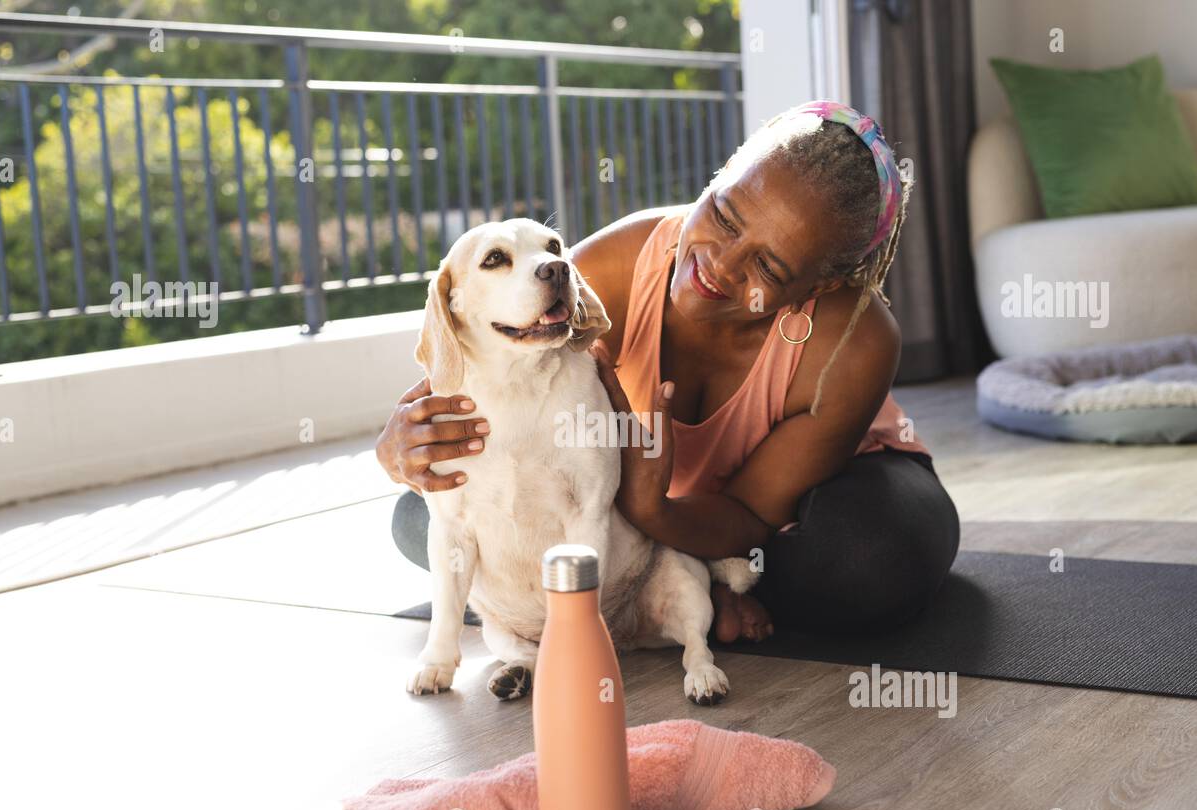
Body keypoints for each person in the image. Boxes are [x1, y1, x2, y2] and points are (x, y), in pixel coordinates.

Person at [378, 99, 960, 643]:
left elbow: (753, 513)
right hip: (631, 499)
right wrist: (401, 448)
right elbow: (478, 358)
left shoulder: (857, 341)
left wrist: (653, 508)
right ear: (718, 177)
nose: (718, 265)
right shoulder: (620, 261)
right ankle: (697, 592)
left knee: (873, 558)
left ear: (824, 283)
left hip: (807, 504)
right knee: (419, 515)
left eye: (768, 265)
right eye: (724, 216)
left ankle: (704, 584)